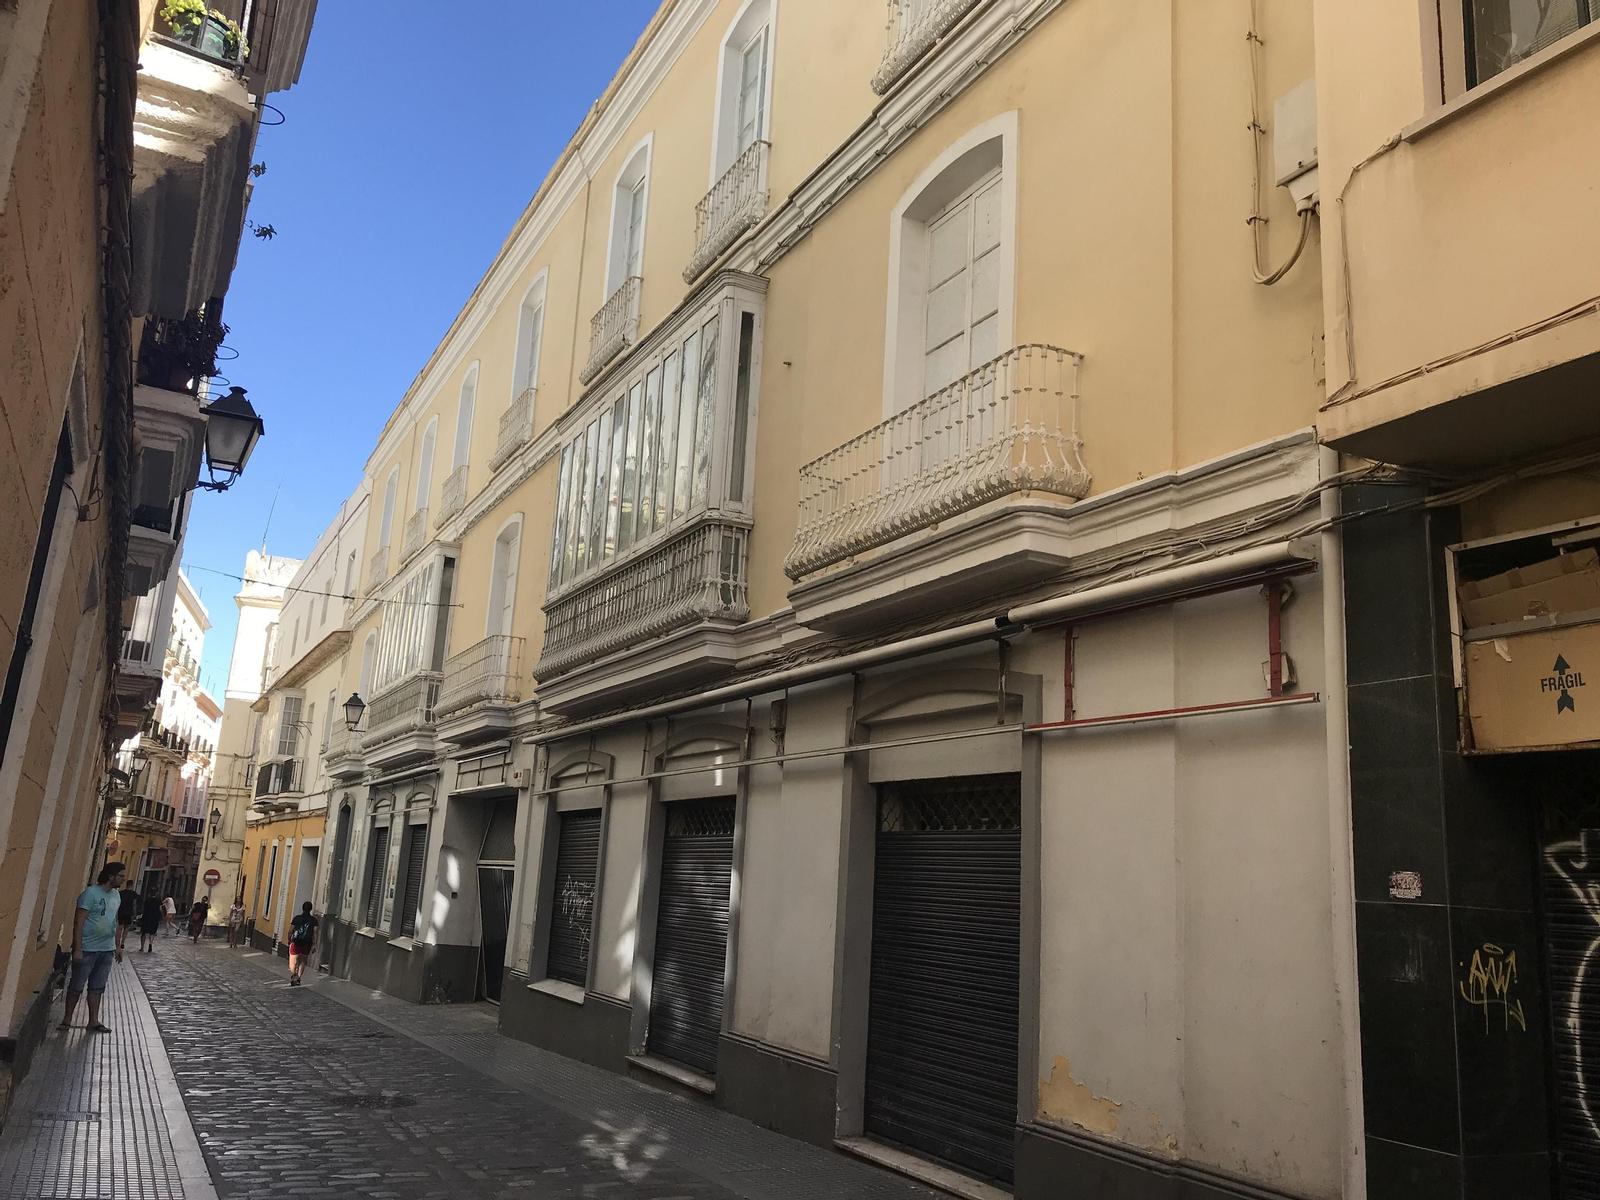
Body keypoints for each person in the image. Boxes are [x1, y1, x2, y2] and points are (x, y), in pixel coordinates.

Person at [60, 863, 125, 1032]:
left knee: (97, 986)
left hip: (107, 949)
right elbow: (79, 922)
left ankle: (93, 1021)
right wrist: (78, 948)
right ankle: (67, 1019)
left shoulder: (116, 895)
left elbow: (115, 921)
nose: (123, 879)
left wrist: (117, 946)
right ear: (111, 876)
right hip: (88, 948)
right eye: (121, 876)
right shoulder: (90, 894)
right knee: (77, 985)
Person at [286, 901, 318, 986]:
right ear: (311, 909)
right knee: (303, 961)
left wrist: (289, 939)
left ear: (302, 908)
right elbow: (315, 932)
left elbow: (290, 930)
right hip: (307, 942)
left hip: (296, 941)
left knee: (292, 961)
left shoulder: (297, 918)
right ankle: (299, 978)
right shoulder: (313, 920)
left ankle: (294, 975)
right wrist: (314, 943)